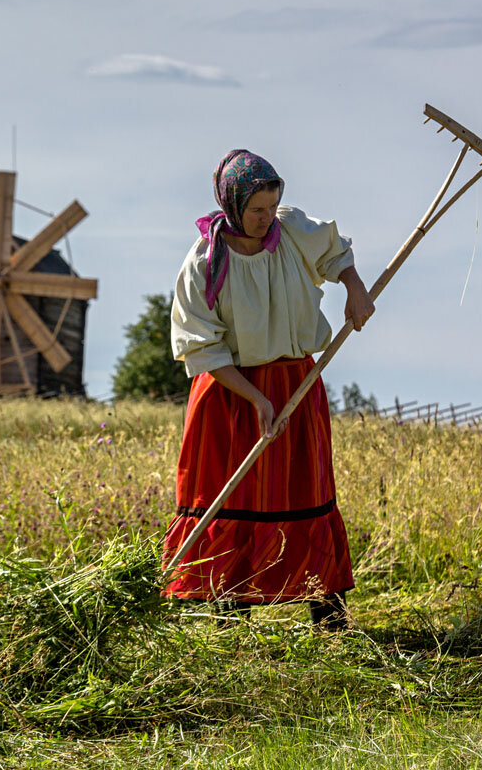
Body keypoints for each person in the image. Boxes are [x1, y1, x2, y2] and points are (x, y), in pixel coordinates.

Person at [161, 148, 375, 629]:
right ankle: (227, 613)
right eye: (255, 210)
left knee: (305, 485)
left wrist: (354, 288)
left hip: (295, 381)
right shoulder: (204, 263)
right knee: (232, 494)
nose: (264, 218)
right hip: (229, 393)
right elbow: (201, 348)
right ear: (232, 205)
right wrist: (257, 399)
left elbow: (336, 253)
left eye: (270, 206)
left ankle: (327, 611)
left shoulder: (293, 232)